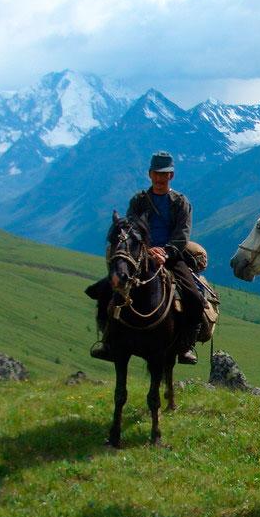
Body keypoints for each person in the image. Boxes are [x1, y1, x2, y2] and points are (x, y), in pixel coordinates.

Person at [90, 151, 206, 364]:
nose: (160, 179)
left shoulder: (180, 203)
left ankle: (185, 346)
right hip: (140, 255)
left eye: (165, 174)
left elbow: (182, 234)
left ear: (171, 176)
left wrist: (167, 252)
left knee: (194, 297)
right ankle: (108, 342)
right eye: (157, 174)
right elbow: (132, 230)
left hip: (171, 256)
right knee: (107, 290)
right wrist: (148, 249)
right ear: (150, 174)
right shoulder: (139, 201)